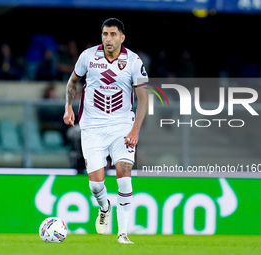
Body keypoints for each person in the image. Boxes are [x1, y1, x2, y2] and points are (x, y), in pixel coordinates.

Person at [63, 18, 148, 244]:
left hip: (122, 126)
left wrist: (135, 130)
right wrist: (68, 107)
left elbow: (144, 99)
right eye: (105, 34)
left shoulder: (134, 61)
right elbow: (72, 83)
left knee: (124, 175)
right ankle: (104, 206)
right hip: (92, 126)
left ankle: (122, 234)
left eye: (112, 34)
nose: (108, 39)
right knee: (96, 184)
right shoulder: (88, 57)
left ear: (122, 37)